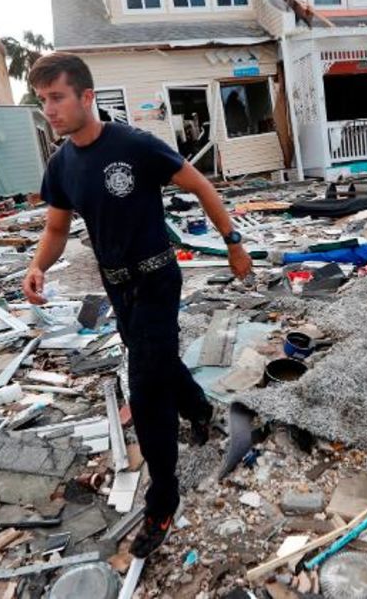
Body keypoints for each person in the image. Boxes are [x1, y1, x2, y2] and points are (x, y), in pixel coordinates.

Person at [22, 52, 253, 557]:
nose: (50, 111)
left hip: (156, 279)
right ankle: (198, 408)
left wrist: (233, 241)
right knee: (159, 363)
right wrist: (38, 265)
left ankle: (162, 501)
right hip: (117, 287)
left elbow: (200, 185)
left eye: (57, 98)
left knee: (144, 389)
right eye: (43, 102)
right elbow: (57, 229)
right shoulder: (61, 165)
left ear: (86, 97)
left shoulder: (135, 146)